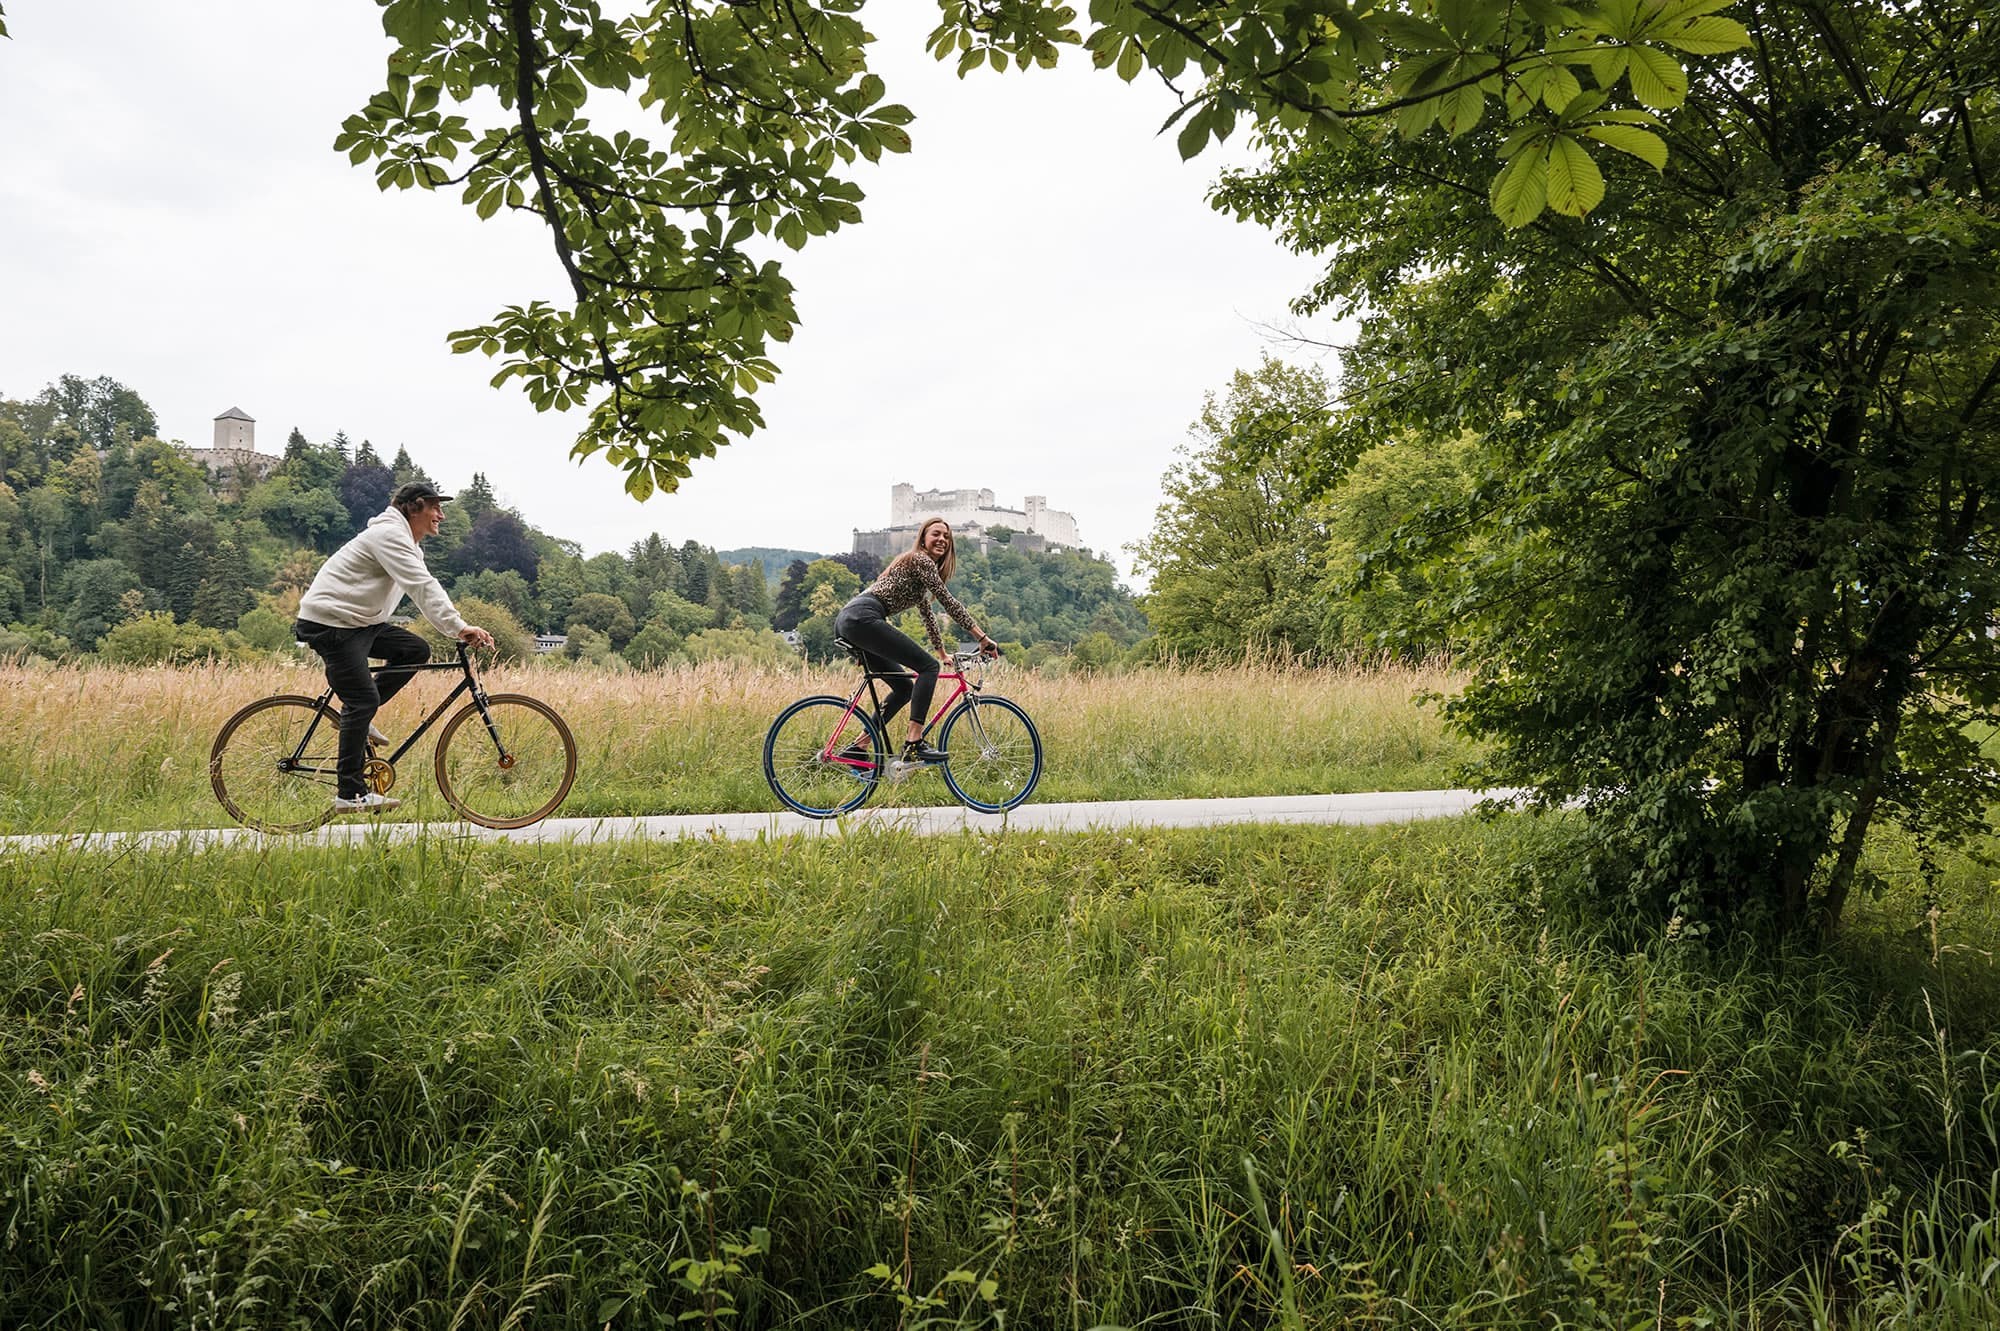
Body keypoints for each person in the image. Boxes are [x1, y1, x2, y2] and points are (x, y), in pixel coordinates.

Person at [294, 481, 495, 814]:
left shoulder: (406, 542)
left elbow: (421, 587)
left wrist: (452, 628)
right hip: (331, 623)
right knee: (362, 700)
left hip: (357, 622)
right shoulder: (389, 536)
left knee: (414, 650)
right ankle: (350, 794)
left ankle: (358, 720)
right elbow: (422, 586)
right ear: (414, 507)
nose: (441, 515)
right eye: (435, 507)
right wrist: (459, 627)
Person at [833, 517, 999, 764]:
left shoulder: (918, 574)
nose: (942, 539)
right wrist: (982, 638)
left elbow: (929, 617)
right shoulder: (920, 560)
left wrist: (942, 653)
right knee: (927, 668)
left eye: (946, 537)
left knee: (904, 689)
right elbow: (948, 602)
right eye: (936, 534)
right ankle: (914, 741)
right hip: (862, 618)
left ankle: (858, 746)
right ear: (923, 538)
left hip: (851, 622)